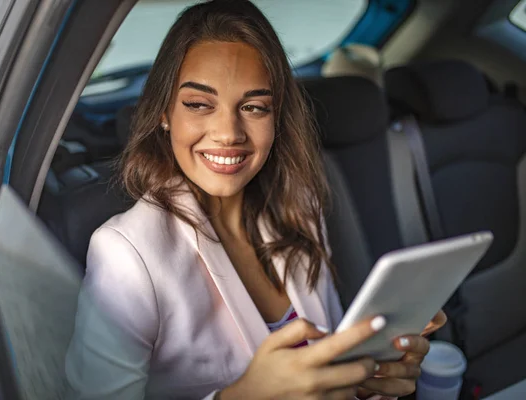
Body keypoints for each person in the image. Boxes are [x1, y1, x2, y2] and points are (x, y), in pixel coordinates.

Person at [65, 1, 446, 399]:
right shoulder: (127, 253)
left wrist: (367, 383)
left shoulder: (299, 205)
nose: (228, 132)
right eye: (199, 104)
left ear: (276, 116)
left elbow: (321, 371)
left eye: (253, 107)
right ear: (164, 112)